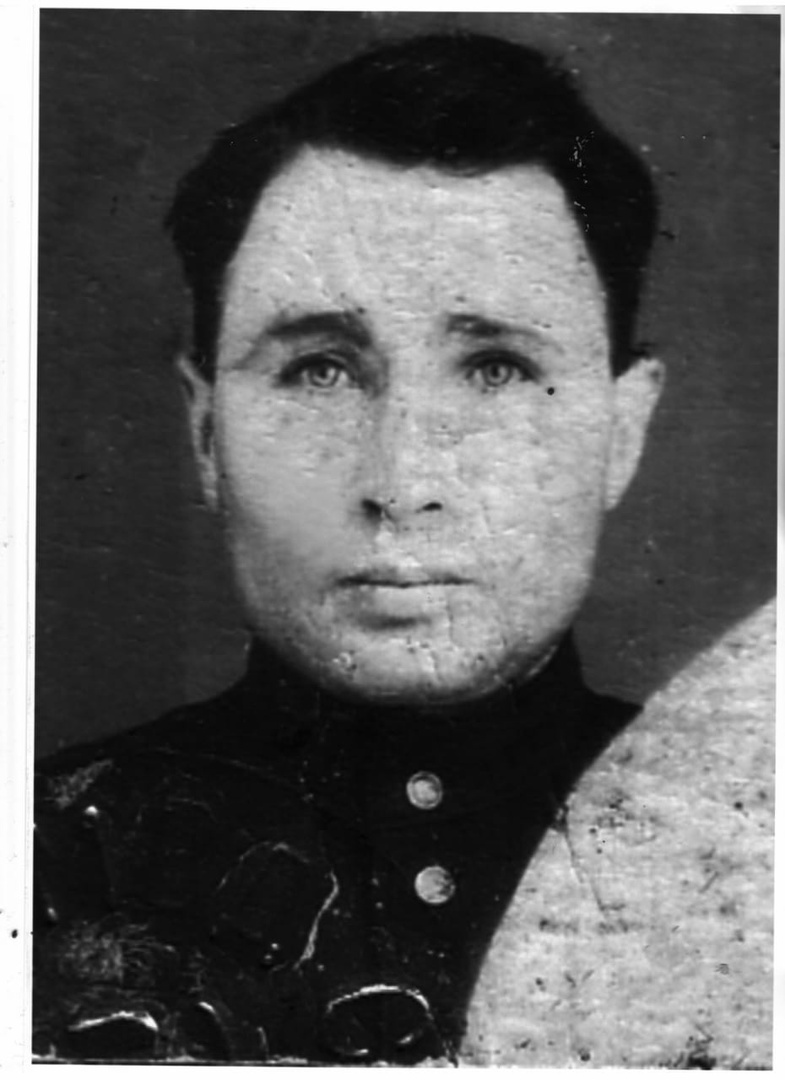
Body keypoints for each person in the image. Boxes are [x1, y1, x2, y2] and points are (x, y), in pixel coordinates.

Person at [33, 31, 664, 1063]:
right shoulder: (49, 855)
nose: (400, 482)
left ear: (622, 431)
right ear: (206, 431)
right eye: (318, 370)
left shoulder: (746, 842)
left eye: (497, 369)